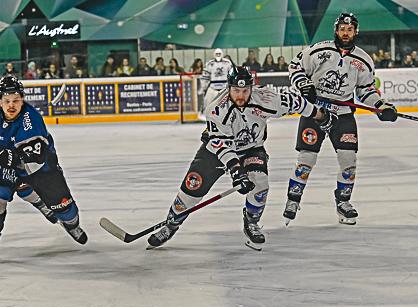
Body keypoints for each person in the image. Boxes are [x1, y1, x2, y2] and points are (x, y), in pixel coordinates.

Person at [147, 67, 334, 251]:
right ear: (228, 88)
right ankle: (171, 225)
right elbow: (222, 145)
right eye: (236, 90)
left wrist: (321, 115)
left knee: (260, 183)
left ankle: (251, 222)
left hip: (252, 149)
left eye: (245, 91)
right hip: (215, 152)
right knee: (192, 187)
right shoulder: (216, 109)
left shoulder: (266, 99)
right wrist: (237, 172)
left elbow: (296, 103)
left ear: (252, 88)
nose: (240, 96)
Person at [282, 12, 397, 225]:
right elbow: (295, 67)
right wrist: (304, 84)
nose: (345, 33)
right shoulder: (319, 50)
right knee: (307, 159)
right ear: (336, 30)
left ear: (355, 32)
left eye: (349, 30)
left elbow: (366, 90)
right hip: (315, 111)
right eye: (342, 29)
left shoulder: (363, 60)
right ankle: (293, 200)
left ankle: (343, 203)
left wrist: (381, 106)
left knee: (348, 160)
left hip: (342, 114)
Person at [0, 76, 87, 259]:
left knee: (65, 209)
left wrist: (3, 155)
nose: (11, 105)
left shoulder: (31, 121)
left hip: (42, 169)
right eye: (7, 101)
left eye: (16, 100)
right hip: (9, 166)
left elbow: (35, 158)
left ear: (23, 99)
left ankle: (71, 224)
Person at [200, 49, 234, 117]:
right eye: (217, 54)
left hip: (225, 88)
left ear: (222, 54)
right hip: (213, 87)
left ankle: (230, 115)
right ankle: (206, 115)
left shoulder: (227, 63)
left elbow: (232, 75)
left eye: (219, 54)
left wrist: (232, 86)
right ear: (214, 54)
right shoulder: (210, 63)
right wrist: (203, 87)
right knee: (207, 102)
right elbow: (205, 76)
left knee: (229, 104)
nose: (218, 55)